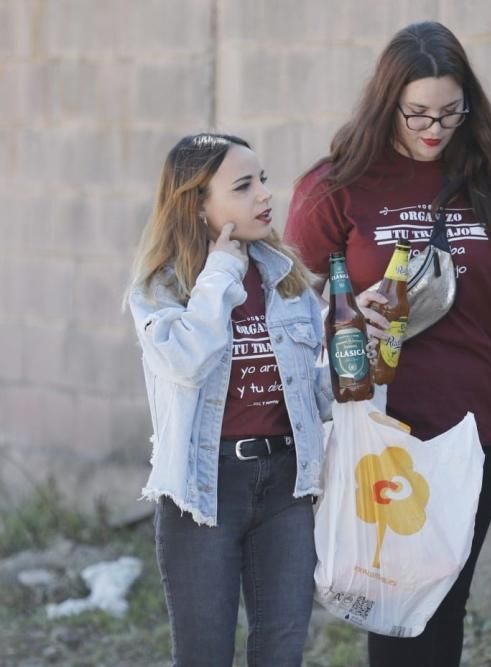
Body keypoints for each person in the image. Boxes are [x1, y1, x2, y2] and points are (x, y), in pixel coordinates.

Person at [284, 20, 491, 667]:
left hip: (479, 428)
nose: (433, 129)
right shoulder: (340, 183)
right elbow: (287, 291)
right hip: (382, 429)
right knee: (398, 599)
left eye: (450, 113)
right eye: (417, 113)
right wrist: (342, 316)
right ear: (387, 101)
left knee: (447, 594)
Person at [125, 133, 332, 666]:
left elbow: (316, 397)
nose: (265, 195)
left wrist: (368, 346)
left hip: (287, 483)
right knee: (204, 656)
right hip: (205, 490)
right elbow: (187, 361)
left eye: (262, 180)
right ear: (197, 204)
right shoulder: (160, 288)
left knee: (281, 653)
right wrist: (219, 274)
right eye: (243, 186)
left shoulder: (286, 279)